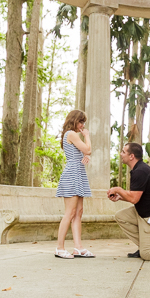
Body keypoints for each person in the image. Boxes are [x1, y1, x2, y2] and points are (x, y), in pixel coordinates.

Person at [54, 110, 95, 259]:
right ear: (74, 121)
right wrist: (87, 136)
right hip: (72, 175)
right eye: (80, 122)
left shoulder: (72, 135)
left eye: (83, 122)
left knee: (78, 212)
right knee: (70, 213)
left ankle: (78, 247)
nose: (82, 125)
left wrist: (84, 157)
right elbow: (88, 149)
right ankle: (60, 247)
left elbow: (83, 153)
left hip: (78, 173)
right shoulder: (71, 134)